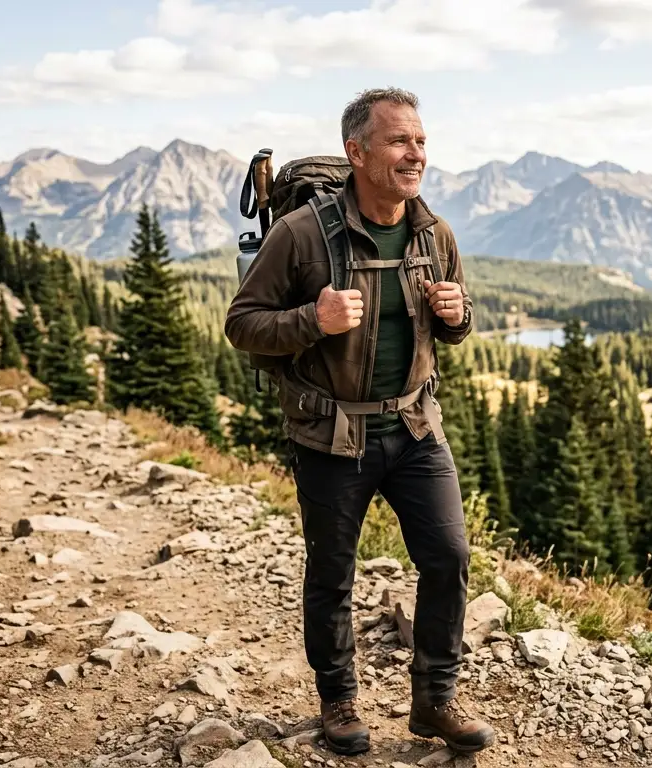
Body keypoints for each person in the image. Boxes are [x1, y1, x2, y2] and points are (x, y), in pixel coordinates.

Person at [223, 88, 493, 757]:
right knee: (333, 573)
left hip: (415, 428)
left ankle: (435, 700)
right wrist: (312, 320)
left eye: (420, 141)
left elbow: (451, 329)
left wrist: (458, 315)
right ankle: (338, 700)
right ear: (357, 152)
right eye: (399, 141)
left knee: (449, 557)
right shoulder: (301, 234)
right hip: (331, 434)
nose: (415, 154)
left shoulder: (434, 233)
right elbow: (242, 324)